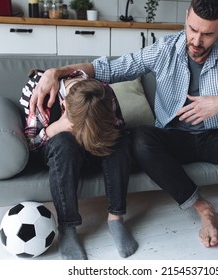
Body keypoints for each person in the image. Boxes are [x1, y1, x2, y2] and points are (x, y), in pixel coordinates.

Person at [29, 0, 218, 260]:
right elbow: (111, 69)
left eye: (208, 34)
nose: (197, 40)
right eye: (192, 29)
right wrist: (57, 71)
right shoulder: (165, 49)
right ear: (186, 17)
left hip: (217, 139)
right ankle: (203, 208)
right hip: (175, 141)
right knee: (140, 138)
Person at [19, 68, 138, 260]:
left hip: (94, 150)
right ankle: (67, 227)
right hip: (57, 152)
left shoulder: (104, 93)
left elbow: (118, 126)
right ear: (64, 106)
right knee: (65, 142)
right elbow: (29, 147)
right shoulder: (37, 92)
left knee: (121, 138)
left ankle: (116, 218)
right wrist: (54, 129)